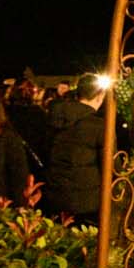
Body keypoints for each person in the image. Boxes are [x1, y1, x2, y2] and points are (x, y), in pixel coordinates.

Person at [45, 72, 108, 225]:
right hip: (86, 200)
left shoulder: (53, 116)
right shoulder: (99, 126)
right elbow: (111, 165)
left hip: (54, 193)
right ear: (100, 95)